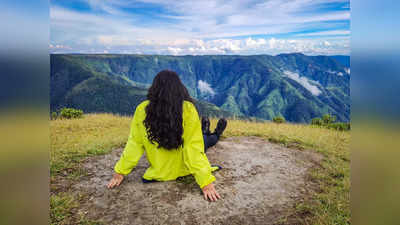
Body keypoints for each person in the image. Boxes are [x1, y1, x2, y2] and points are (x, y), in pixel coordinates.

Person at [107, 70, 227, 202]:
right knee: (206, 141)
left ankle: (206, 130)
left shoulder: (142, 109)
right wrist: (206, 183)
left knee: (203, 139)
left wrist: (120, 173)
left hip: (160, 172)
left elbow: (134, 144)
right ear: (179, 88)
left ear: (154, 88)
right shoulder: (188, 108)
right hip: (184, 168)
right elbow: (193, 149)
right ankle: (216, 133)